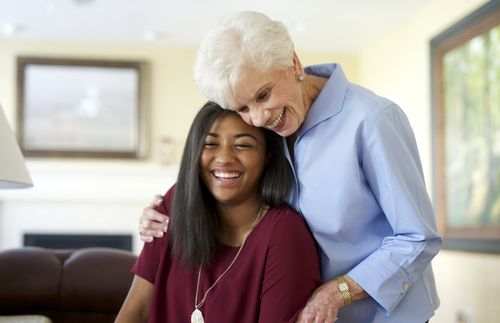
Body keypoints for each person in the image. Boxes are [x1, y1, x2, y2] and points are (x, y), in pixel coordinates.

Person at [139, 11, 442, 323]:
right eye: (243, 108)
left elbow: (417, 237)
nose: (258, 118)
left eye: (263, 95)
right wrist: (166, 214)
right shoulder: (269, 131)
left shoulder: (372, 120)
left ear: (294, 64)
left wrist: (338, 292)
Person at [116, 102, 321, 323]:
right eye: (210, 144)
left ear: (268, 155)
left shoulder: (285, 235)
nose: (224, 158)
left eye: (242, 145)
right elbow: (134, 312)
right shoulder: (175, 205)